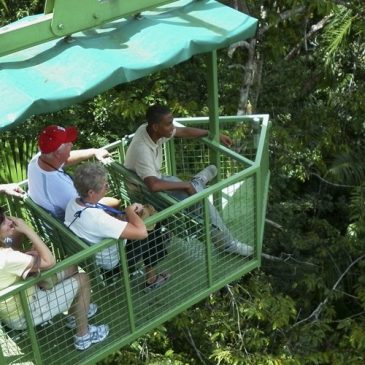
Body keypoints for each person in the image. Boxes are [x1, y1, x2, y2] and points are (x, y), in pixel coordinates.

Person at [124, 104, 253, 256]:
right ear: (155, 127)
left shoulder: (148, 130)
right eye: (168, 124)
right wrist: (186, 186)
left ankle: (197, 182)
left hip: (147, 183)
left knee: (193, 190)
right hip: (150, 192)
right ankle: (228, 244)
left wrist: (213, 134)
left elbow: (183, 131)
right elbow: (153, 185)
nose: (172, 127)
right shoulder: (142, 149)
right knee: (202, 200)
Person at [0, 207, 109, 350]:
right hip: (24, 313)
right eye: (3, 221)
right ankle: (83, 336)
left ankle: (74, 315)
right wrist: (27, 230)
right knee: (83, 279)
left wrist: (27, 255)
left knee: (71, 268)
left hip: (22, 296)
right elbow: (49, 261)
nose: (9, 222)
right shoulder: (7, 257)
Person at [64, 162, 170, 292]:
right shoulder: (98, 219)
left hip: (94, 258)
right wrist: (130, 211)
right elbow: (141, 233)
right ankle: (152, 279)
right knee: (152, 225)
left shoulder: (73, 203)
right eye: (105, 186)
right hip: (117, 263)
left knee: (145, 225)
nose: (107, 188)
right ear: (91, 192)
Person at [27, 125, 118, 220]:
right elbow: (86, 212)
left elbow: (65, 159)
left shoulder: (39, 160)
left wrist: (94, 151)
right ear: (57, 153)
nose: (71, 144)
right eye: (67, 143)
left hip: (63, 216)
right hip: (75, 222)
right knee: (114, 202)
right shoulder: (63, 191)